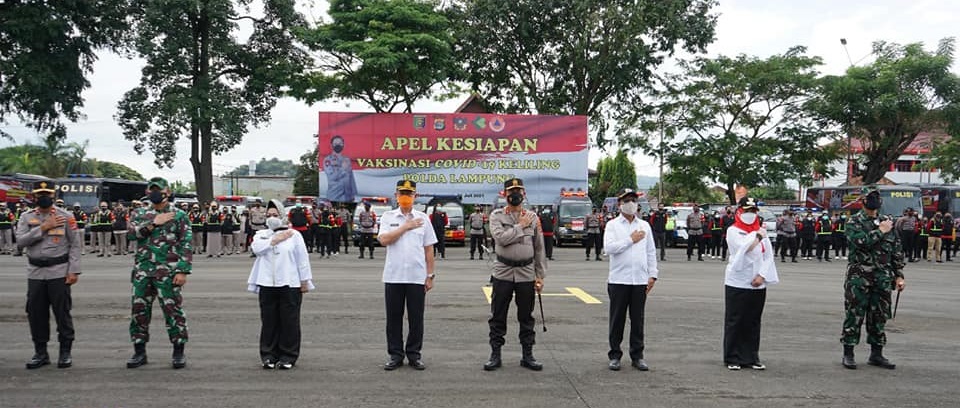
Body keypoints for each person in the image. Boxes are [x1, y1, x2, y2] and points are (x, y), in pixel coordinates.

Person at [126, 177, 193, 369]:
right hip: (143, 271)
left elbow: (186, 243)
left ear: (168, 192)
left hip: (168, 272)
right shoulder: (140, 213)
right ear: (147, 193)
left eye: (159, 190)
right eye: (152, 190)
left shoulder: (179, 215)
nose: (155, 193)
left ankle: (178, 351)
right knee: (139, 311)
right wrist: (153, 223)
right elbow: (131, 234)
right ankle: (139, 351)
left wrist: (183, 271)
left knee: (173, 311)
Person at [16, 180, 82, 369]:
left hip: (59, 272)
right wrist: (43, 227)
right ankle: (41, 352)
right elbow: (20, 241)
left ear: (54, 196)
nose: (43, 197)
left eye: (47, 194)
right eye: (39, 194)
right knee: (35, 313)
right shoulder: (26, 217)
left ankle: (65, 352)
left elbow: (75, 245)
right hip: (35, 273)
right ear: (34, 197)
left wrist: (74, 270)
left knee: (62, 313)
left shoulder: (66, 216)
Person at [484, 178, 547, 372]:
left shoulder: (533, 218)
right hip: (503, 272)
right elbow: (501, 239)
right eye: (511, 191)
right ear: (504, 194)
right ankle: (495, 355)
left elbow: (539, 248)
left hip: (526, 273)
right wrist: (520, 226)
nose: (515, 194)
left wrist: (540, 275)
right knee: (498, 315)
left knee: (526, 316)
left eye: (519, 190)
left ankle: (527, 355)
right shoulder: (496, 216)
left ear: (524, 194)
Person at [842, 187, 905, 370]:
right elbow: (859, 242)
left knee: (879, 316)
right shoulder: (854, 221)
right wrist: (880, 231)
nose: (874, 201)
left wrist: (899, 275)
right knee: (854, 315)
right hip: (859, 278)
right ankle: (848, 353)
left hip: (882, 277)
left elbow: (896, 251)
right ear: (862, 201)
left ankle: (876, 354)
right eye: (870, 198)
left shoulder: (887, 222)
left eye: (877, 198)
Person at [248, 199, 315, 369]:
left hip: (290, 283)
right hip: (267, 284)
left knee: (289, 321)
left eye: (275, 215)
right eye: (269, 215)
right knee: (269, 320)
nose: (271, 218)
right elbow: (257, 249)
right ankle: (269, 355)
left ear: (282, 216)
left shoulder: (294, 235)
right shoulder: (261, 234)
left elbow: (302, 259)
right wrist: (275, 240)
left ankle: (288, 355)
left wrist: (304, 280)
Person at [378, 180, 437, 371]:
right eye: (402, 193)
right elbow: (384, 240)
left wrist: (430, 275)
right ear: (396, 195)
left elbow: (429, 249)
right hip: (394, 276)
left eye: (409, 194)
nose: (405, 197)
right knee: (393, 319)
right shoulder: (388, 216)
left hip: (416, 276)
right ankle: (395, 355)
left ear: (415, 196)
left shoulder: (423, 219)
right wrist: (406, 227)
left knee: (416, 319)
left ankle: (414, 354)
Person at [603, 188, 658, 371]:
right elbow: (609, 248)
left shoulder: (644, 226)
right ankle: (615, 355)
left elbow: (650, 252)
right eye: (626, 200)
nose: (630, 203)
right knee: (617, 319)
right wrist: (630, 240)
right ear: (619, 204)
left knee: (638, 319)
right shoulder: (613, 225)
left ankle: (637, 355)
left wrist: (653, 274)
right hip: (619, 279)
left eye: (633, 200)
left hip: (640, 280)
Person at [723, 197, 779, 371]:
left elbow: (768, 255)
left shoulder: (761, 231)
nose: (750, 214)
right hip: (738, 282)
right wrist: (757, 236)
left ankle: (751, 357)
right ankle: (732, 357)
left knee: (753, 321)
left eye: (753, 211)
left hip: (758, 282)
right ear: (739, 211)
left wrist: (762, 275)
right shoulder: (733, 231)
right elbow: (742, 250)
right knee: (735, 320)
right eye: (747, 211)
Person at [322, 135, 358, 203]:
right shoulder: (328, 160)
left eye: (340, 143)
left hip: (348, 197)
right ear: (331, 145)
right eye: (335, 144)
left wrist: (353, 194)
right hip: (334, 197)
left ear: (343, 145)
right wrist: (342, 168)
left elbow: (351, 178)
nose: (338, 145)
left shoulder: (347, 159)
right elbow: (332, 177)